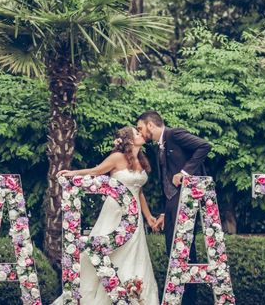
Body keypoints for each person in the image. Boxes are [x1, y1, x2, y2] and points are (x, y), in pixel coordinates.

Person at [53, 126, 161, 305]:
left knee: (134, 254)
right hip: (115, 212)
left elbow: (139, 192)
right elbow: (96, 171)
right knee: (108, 252)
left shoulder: (141, 160)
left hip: (134, 217)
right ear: (128, 140)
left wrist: (148, 216)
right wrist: (73, 173)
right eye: (136, 133)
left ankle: (135, 296)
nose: (141, 134)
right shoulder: (117, 158)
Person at [136, 110, 211, 305]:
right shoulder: (158, 147)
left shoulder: (174, 135)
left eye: (140, 128)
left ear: (150, 125)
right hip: (172, 204)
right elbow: (166, 184)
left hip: (188, 200)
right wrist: (163, 211)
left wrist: (185, 172)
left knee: (184, 250)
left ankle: (188, 301)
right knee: (174, 250)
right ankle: (181, 299)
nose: (141, 132)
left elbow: (204, 146)